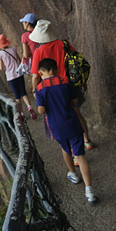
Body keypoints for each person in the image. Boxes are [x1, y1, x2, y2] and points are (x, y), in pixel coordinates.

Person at [35, 57, 97, 204]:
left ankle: (73, 175)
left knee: (65, 149)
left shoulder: (39, 89)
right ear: (55, 70)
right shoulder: (65, 81)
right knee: (80, 156)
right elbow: (75, 101)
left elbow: (42, 111)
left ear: (40, 73)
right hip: (72, 123)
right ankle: (89, 191)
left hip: (56, 126)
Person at [29, 19, 93, 150]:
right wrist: (82, 81)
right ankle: (87, 141)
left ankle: (72, 150)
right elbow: (77, 62)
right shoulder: (64, 44)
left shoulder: (39, 52)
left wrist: (35, 91)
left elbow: (35, 75)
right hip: (70, 85)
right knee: (77, 113)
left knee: (60, 118)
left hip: (52, 89)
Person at [0, 34, 37, 120]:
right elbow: (20, 60)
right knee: (23, 93)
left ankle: (21, 113)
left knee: (17, 95)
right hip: (19, 74)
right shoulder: (13, 49)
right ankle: (30, 107)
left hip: (10, 76)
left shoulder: (0, 55)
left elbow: (1, 68)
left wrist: (1, 63)